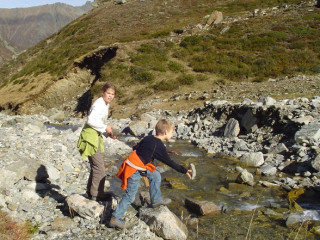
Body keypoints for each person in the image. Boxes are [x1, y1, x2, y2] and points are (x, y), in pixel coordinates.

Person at [109, 119, 192, 229]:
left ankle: (156, 200)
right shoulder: (159, 146)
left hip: (138, 166)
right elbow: (170, 162)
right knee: (130, 195)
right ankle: (115, 218)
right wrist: (184, 170)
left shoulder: (149, 138)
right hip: (134, 169)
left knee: (155, 175)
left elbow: (136, 147)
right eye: (172, 132)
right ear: (166, 132)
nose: (172, 134)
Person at [77, 82, 117, 201]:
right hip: (90, 138)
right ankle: (95, 194)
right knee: (99, 168)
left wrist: (107, 133)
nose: (110, 96)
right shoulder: (99, 104)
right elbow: (90, 121)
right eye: (108, 93)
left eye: (112, 94)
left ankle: (92, 192)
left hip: (95, 136)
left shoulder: (105, 104)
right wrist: (105, 128)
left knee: (96, 166)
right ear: (103, 93)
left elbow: (99, 123)